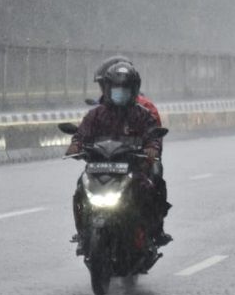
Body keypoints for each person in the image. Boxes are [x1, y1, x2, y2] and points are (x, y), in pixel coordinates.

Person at [66, 61, 172, 252]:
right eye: (116, 88)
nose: (120, 92)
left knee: (152, 189)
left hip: (132, 170)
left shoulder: (142, 114)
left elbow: (152, 136)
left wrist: (151, 149)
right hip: (100, 168)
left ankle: (154, 231)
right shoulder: (96, 115)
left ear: (134, 90)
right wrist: (75, 145)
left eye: (125, 88)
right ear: (107, 88)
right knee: (80, 189)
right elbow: (81, 134)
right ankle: (82, 232)